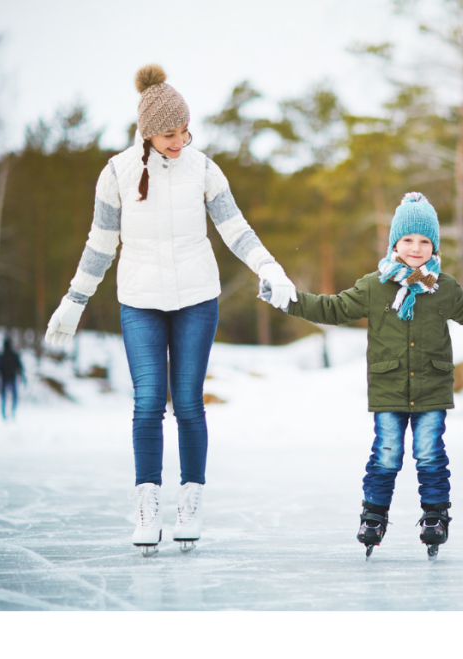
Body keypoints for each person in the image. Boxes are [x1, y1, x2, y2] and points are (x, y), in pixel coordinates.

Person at [44, 64, 299, 556]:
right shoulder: (116, 173)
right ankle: (146, 503)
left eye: (185, 130)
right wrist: (75, 299)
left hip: (196, 300)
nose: (180, 140)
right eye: (169, 133)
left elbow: (235, 228)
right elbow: (100, 244)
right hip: (140, 301)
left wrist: (270, 267)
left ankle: (190, 500)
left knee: (187, 403)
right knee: (146, 404)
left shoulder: (203, 167)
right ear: (147, 133)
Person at [263, 192, 463, 560]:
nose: (416, 248)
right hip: (389, 387)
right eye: (408, 240)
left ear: (434, 246)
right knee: (386, 454)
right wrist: (289, 299)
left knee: (430, 453)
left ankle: (435, 515)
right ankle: (374, 515)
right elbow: (332, 309)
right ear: (394, 243)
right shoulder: (374, 285)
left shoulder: (442, 286)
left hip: (431, 387)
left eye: (424, 241)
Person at [0, 336, 25, 420]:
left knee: (4, 397)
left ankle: (4, 414)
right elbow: (19, 367)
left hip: (5, 379)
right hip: (10, 378)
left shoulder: (2, 355)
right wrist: (22, 376)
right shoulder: (13, 354)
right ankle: (12, 412)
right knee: (14, 397)